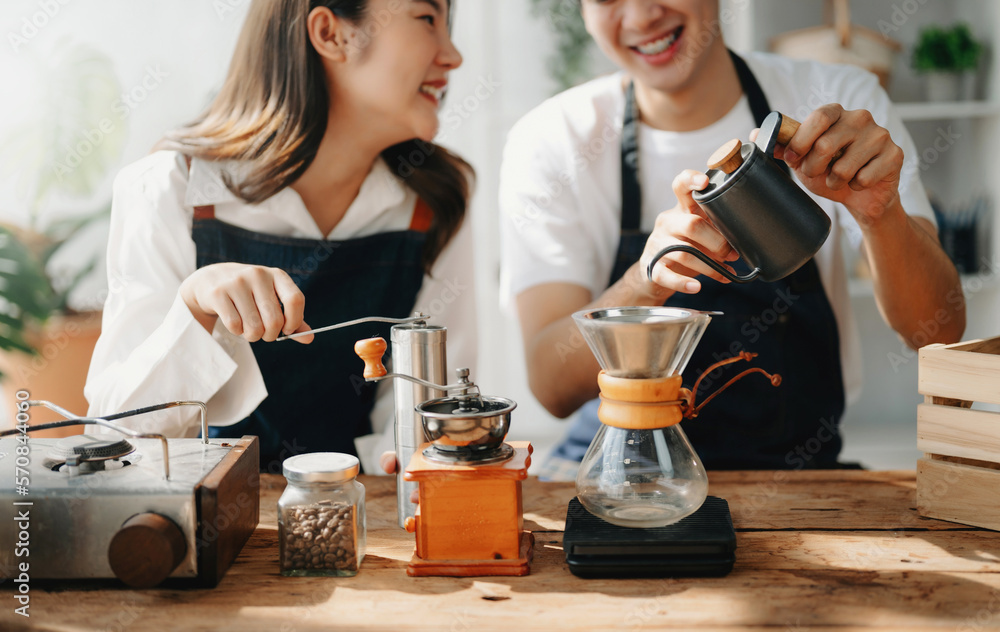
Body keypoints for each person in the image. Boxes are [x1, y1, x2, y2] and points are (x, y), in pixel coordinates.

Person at [499, 0, 966, 477]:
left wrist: (880, 214)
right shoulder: (550, 140)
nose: (640, 17)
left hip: (798, 478)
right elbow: (551, 387)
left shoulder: (835, 99)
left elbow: (940, 329)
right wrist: (645, 282)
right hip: (615, 480)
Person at [85, 0, 476, 474]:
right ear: (331, 34)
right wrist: (194, 309)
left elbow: (433, 407)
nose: (452, 55)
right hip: (205, 530)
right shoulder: (169, 188)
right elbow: (113, 439)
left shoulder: (435, 201)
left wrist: (409, 454)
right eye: (427, 19)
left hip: (361, 517)